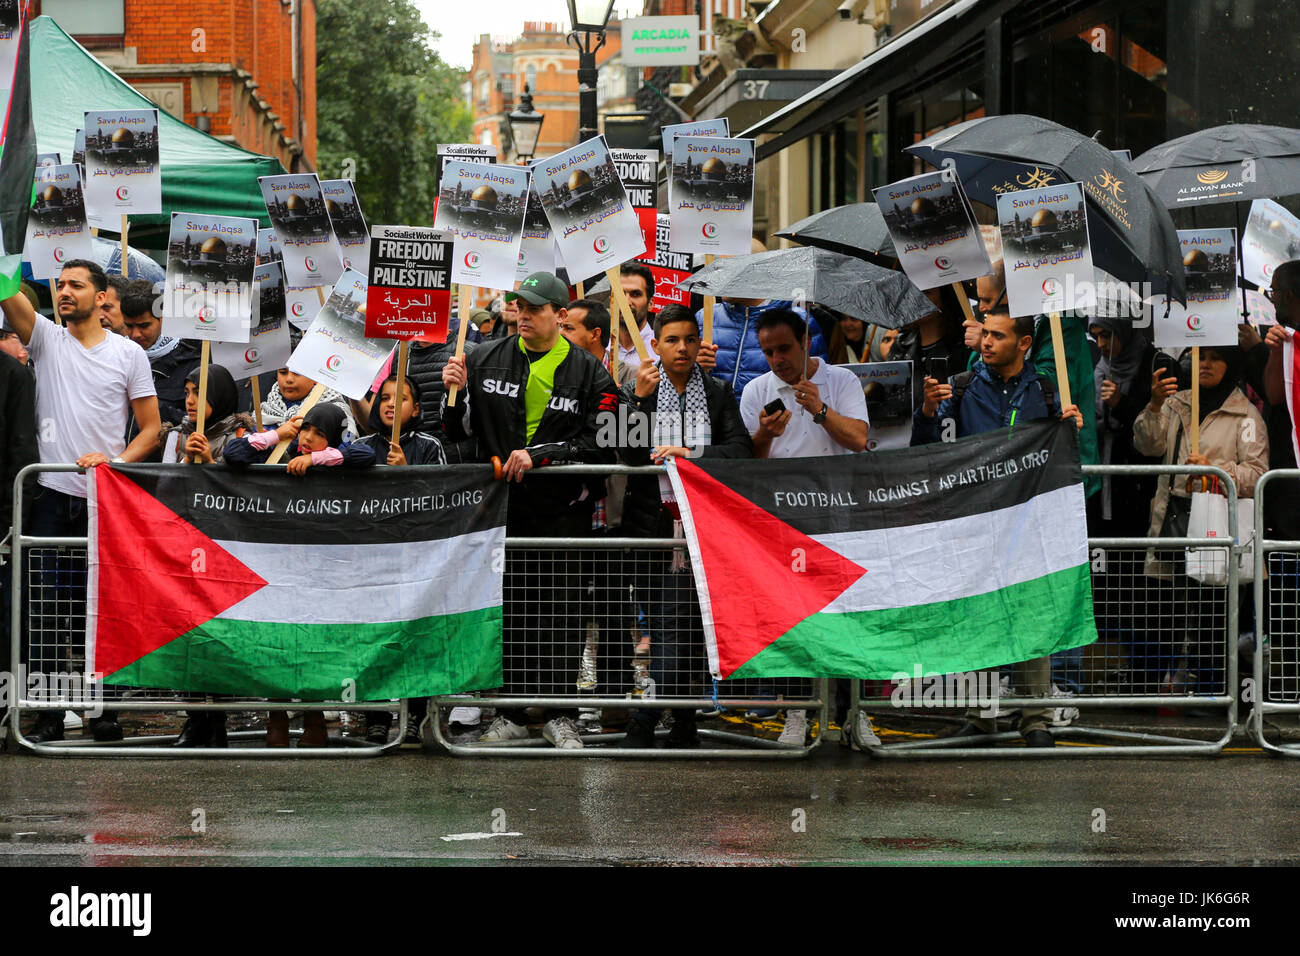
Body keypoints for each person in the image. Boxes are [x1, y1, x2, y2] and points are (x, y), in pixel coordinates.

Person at [442, 271, 618, 749]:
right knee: (514, 610)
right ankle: (514, 712)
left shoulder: (590, 370)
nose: (523, 315)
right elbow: (457, 433)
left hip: (565, 509)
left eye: (535, 308)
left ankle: (561, 715)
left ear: (561, 315)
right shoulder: (483, 356)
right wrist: (453, 393)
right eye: (519, 306)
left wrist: (541, 455)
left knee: (561, 611)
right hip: (503, 509)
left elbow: (606, 442)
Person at [1, 259, 161, 744]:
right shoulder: (47, 339)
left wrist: (115, 460)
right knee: (46, 609)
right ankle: (48, 713)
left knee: (102, 608)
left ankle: (103, 711)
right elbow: (8, 293)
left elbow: (151, 429)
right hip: (49, 495)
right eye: (61, 285)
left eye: (76, 285)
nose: (65, 292)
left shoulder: (129, 354)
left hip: (106, 502)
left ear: (101, 294)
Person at [911, 308, 1084, 748]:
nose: (986, 342)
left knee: (1032, 617)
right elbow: (928, 448)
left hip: (1029, 524)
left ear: (1024, 344)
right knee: (978, 616)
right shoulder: (963, 387)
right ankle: (980, 714)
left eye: (998, 336)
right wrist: (929, 411)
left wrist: (1071, 430)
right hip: (977, 523)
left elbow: (1064, 458)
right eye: (984, 334)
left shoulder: (1046, 391)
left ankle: (1036, 719)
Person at [619, 305, 753, 748]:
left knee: (687, 627)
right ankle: (676, 721)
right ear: (654, 345)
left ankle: (657, 720)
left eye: (690, 340)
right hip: (651, 527)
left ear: (700, 343)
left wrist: (689, 453)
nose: (682, 349)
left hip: (703, 527)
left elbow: (740, 451)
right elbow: (628, 456)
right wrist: (638, 400)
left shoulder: (716, 392)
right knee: (666, 626)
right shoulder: (638, 386)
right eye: (672, 340)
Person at [739, 309, 873, 747]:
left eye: (784, 349)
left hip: (840, 518)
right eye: (768, 352)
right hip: (784, 522)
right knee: (792, 619)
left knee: (846, 617)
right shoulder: (756, 391)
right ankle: (797, 711)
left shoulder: (842, 382)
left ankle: (855, 713)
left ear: (806, 343)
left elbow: (857, 439)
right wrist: (762, 436)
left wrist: (818, 409)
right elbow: (749, 463)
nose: (777, 359)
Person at [225, 403, 376, 746]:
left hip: (319, 567)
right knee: (276, 642)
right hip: (275, 564)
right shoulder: (282, 450)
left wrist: (316, 460)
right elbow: (234, 453)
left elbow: (365, 454)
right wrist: (278, 434)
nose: (309, 438)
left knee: (312, 641)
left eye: (320, 434)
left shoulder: (341, 454)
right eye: (306, 428)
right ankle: (275, 716)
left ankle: (314, 716)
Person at [1132, 346, 1267, 696]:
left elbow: (1257, 474)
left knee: (1212, 615)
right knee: (1161, 612)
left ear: (1231, 364)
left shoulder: (1245, 415)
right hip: (1171, 521)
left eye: (1215, 358)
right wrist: (1156, 404)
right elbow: (1147, 445)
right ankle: (1145, 688)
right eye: (1199, 357)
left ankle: (1212, 691)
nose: (1204, 364)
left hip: (1215, 528)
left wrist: (1213, 468)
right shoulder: (1178, 403)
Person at [703, 295, 825, 398]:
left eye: (783, 348)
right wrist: (693, 368)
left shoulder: (800, 319)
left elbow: (817, 382)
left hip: (776, 420)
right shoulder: (706, 317)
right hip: (715, 422)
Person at [120, 278, 201, 430]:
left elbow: (197, 421)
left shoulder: (191, 362)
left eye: (144, 326)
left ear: (162, 319)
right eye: (129, 326)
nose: (136, 334)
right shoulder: (114, 357)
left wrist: (147, 404)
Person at [890, 283, 971, 410]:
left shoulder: (964, 347)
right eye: (913, 290)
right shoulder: (900, 346)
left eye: (926, 292)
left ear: (945, 297)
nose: (917, 297)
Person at [157, 364, 256, 464]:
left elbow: (242, 480)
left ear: (218, 396)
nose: (189, 401)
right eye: (187, 393)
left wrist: (209, 462)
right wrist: (187, 460)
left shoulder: (242, 438)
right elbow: (166, 479)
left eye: (198, 393)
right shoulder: (176, 435)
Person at [260, 367, 357, 444]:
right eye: (283, 372)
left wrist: (313, 456)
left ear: (315, 377)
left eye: (298, 373)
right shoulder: (265, 410)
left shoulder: (335, 410)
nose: (289, 379)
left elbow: (346, 446)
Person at [608, 262, 656, 372]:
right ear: (611, 300)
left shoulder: (663, 349)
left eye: (635, 294)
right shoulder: (600, 347)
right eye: (620, 294)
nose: (626, 302)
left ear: (650, 304)